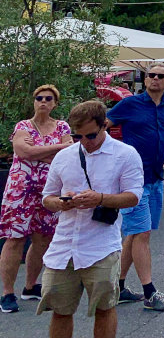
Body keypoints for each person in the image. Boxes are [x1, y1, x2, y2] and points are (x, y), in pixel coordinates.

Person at [37, 100, 144, 338]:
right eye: (78, 137)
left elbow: (133, 196)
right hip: (63, 246)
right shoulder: (64, 156)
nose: (85, 142)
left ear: (105, 125)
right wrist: (64, 202)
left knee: (104, 309)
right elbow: (47, 198)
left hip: (101, 245)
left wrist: (101, 198)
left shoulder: (126, 154)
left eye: (91, 135)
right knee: (60, 311)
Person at [105, 63, 164, 311]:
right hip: (132, 181)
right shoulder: (130, 104)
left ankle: (118, 286)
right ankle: (150, 293)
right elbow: (101, 126)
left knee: (136, 233)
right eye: (151, 75)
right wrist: (111, 157)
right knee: (143, 233)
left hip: (155, 177)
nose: (155, 79)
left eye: (161, 75)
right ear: (145, 79)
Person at [0, 85, 73, 313]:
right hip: (20, 190)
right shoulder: (23, 126)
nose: (42, 101)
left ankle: (30, 286)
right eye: (38, 98)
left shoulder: (62, 126)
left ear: (55, 103)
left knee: (43, 238)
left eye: (48, 98)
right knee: (15, 239)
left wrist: (42, 150)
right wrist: (56, 148)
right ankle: (7, 293)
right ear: (34, 102)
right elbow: (23, 153)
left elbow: (66, 155)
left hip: (48, 190)